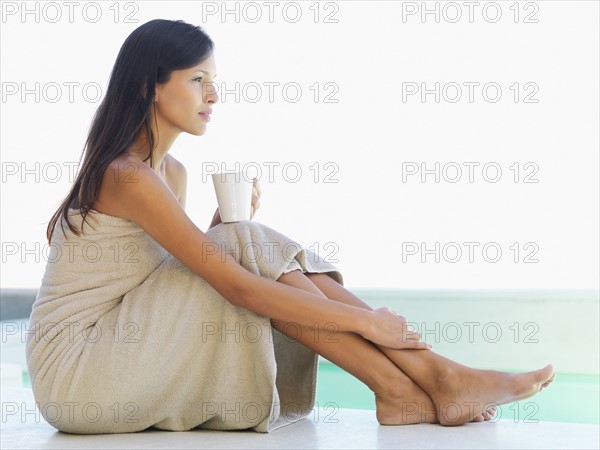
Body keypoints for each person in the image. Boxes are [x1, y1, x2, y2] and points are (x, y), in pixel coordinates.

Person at [26, 19, 555, 434]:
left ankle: (410, 387)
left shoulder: (171, 173)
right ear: (149, 87)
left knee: (238, 236)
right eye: (197, 80)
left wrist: (220, 228)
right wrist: (367, 324)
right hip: (79, 374)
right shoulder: (126, 174)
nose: (213, 96)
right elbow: (232, 284)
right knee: (241, 242)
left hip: (123, 349)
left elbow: (166, 276)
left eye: (215, 81)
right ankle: (426, 378)